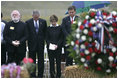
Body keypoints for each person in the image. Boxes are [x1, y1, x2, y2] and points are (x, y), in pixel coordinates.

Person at [26, 10, 47, 78]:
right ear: (32, 16)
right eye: (35, 17)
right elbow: (27, 34)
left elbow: (45, 33)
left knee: (41, 60)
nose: (36, 18)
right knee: (32, 61)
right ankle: (32, 75)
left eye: (37, 17)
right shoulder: (28, 22)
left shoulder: (43, 22)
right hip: (31, 45)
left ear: (39, 16)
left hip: (40, 45)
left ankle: (40, 75)